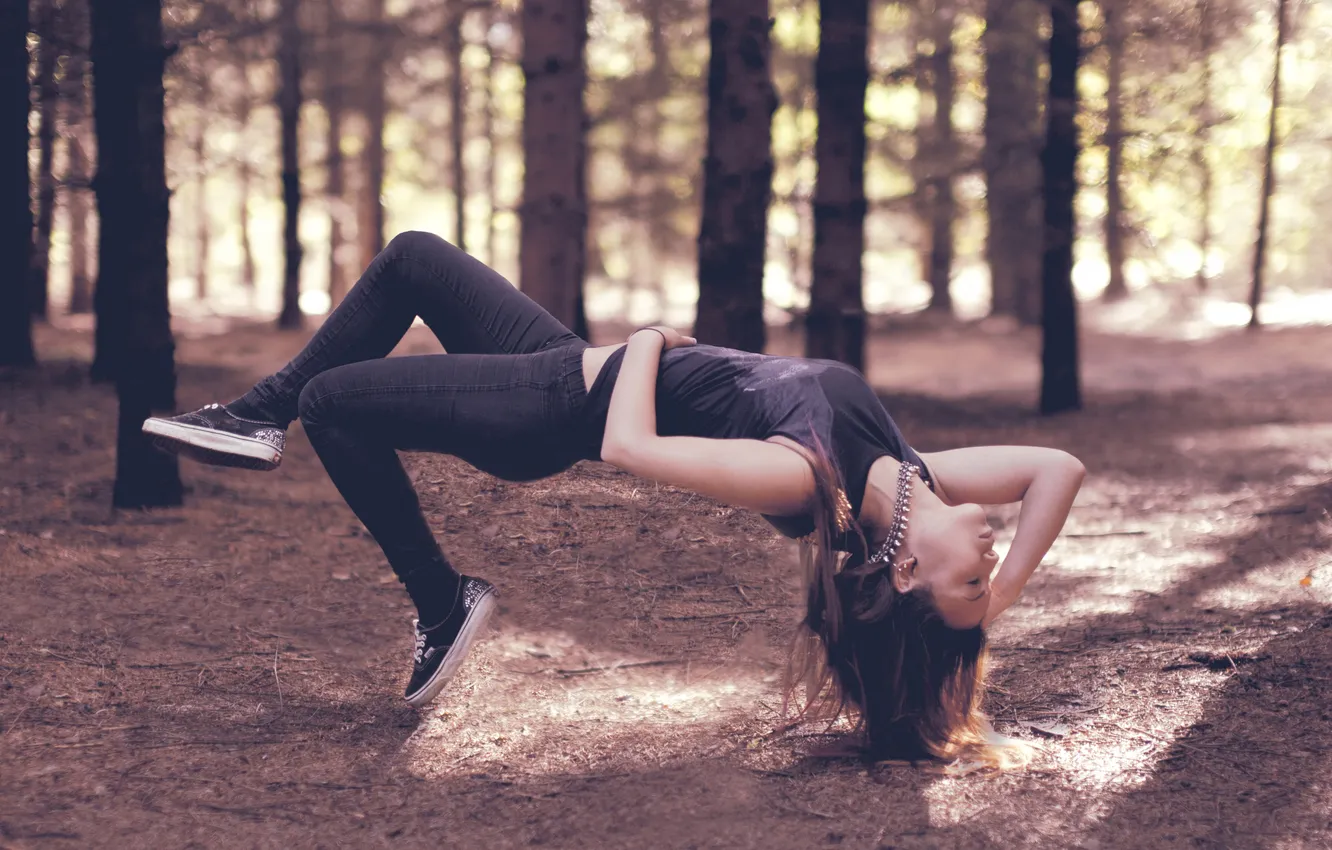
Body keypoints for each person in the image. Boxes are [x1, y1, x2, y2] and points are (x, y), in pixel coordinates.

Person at [143, 231, 1085, 766]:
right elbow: (1057, 469)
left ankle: (440, 599)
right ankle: (254, 418)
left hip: (551, 409)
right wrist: (999, 600)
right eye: (988, 578)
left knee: (329, 403)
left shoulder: (810, 483)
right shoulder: (912, 476)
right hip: (562, 362)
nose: (990, 562)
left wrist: (646, 344)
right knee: (414, 258)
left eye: (971, 582)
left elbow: (632, 447)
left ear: (908, 570)